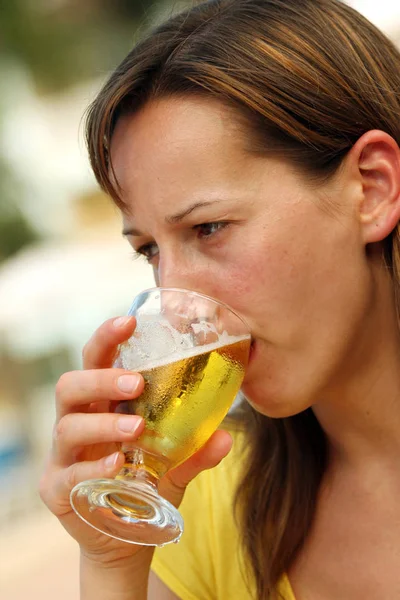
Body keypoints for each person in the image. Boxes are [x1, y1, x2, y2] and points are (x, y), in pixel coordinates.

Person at [39, 0, 400, 598]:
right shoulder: (208, 506)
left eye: (209, 229)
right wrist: (112, 563)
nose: (177, 301)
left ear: (372, 189)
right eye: (150, 250)